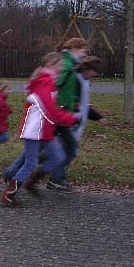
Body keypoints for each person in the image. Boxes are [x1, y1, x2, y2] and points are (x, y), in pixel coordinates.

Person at [0, 52, 80, 207]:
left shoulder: (50, 81)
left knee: (58, 157)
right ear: (51, 63)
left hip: (45, 130)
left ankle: (32, 182)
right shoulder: (44, 82)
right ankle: (9, 194)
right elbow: (50, 108)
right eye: (60, 64)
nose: (62, 67)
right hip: (35, 130)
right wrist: (71, 118)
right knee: (30, 163)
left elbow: (52, 107)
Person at [47, 56, 103, 191]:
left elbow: (83, 105)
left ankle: (55, 176)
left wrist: (97, 116)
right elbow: (72, 102)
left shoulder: (84, 81)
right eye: (94, 71)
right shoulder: (76, 80)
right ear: (88, 69)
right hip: (68, 121)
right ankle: (55, 178)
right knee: (69, 151)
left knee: (63, 150)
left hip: (73, 122)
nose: (95, 75)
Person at [47, 37, 90, 190]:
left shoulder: (70, 63)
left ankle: (51, 174)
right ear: (74, 48)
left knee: (63, 147)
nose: (84, 54)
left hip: (64, 111)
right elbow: (55, 84)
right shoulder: (66, 64)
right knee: (69, 148)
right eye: (83, 51)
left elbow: (68, 88)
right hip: (61, 112)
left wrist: (75, 102)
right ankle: (54, 178)